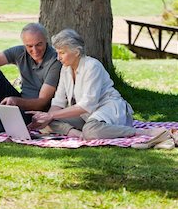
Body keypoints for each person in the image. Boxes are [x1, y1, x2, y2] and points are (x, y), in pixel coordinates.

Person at [28, 29, 175, 149]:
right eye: (58, 52)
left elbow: (87, 105)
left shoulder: (92, 66)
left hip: (109, 108)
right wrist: (45, 119)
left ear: (76, 52)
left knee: (90, 129)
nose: (58, 57)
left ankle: (142, 132)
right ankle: (78, 135)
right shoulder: (65, 70)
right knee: (50, 121)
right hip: (87, 116)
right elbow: (58, 103)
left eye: (62, 53)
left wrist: (52, 116)